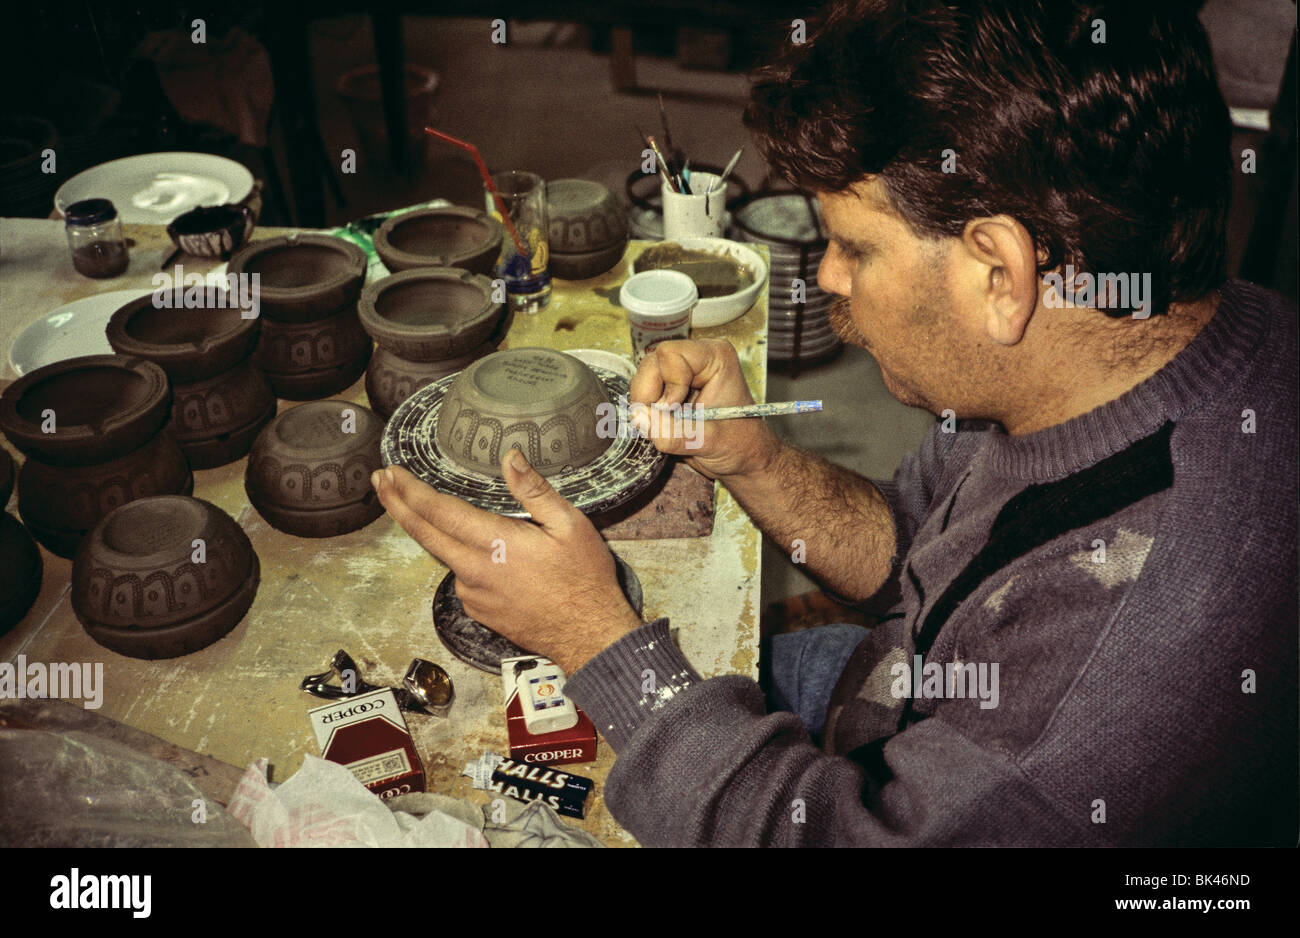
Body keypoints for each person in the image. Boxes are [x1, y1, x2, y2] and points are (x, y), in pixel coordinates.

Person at [372, 0, 1297, 845]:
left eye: (855, 247)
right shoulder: (1101, 351)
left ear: (1000, 274)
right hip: (894, 682)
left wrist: (596, 641)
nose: (827, 280)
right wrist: (754, 457)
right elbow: (913, 557)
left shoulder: (1117, 652)